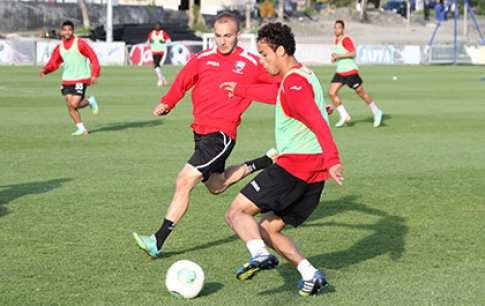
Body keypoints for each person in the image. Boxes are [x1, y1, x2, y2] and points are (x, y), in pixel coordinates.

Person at [132, 13, 280, 259]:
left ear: (238, 36)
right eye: (218, 36)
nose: (222, 42)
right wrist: (168, 102)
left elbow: (280, 83)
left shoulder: (251, 62)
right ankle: (264, 162)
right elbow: (182, 81)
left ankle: (156, 241)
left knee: (183, 181)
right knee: (216, 185)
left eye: (228, 36)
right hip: (200, 131)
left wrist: (310, 102)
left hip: (221, 134)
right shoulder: (203, 58)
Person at [221, 22, 344, 297]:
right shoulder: (303, 76)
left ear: (280, 50)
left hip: (295, 167)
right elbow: (279, 96)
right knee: (267, 228)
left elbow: (317, 121)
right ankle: (311, 274)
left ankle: (259, 255)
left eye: (264, 54)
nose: (262, 61)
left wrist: (333, 158)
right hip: (313, 176)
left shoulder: (295, 83)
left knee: (236, 213)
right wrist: (241, 89)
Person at [39, 20, 100, 136]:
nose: (67, 32)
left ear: (73, 31)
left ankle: (90, 101)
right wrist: (45, 70)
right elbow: (53, 63)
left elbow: (93, 56)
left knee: (75, 104)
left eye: (69, 30)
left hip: (81, 78)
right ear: (61, 32)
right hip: (67, 79)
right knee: (69, 105)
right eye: (65, 30)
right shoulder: (60, 47)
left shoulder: (80, 43)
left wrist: (94, 74)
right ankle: (82, 129)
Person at [328, 20, 383, 128]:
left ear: (343, 29)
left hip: (350, 72)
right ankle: (344, 115)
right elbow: (340, 54)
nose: (336, 30)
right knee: (331, 92)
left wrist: (338, 56)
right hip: (340, 72)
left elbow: (353, 53)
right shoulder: (336, 41)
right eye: (335, 28)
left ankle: (377, 112)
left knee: (361, 93)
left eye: (338, 28)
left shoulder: (346, 39)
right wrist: (335, 59)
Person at [148, 22, 171, 87]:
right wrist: (150, 42)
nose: (157, 27)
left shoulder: (163, 33)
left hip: (160, 51)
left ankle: (161, 79)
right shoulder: (151, 33)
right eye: (156, 26)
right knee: (156, 65)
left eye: (158, 26)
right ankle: (163, 79)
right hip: (154, 50)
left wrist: (163, 41)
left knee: (156, 64)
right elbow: (148, 41)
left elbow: (169, 41)